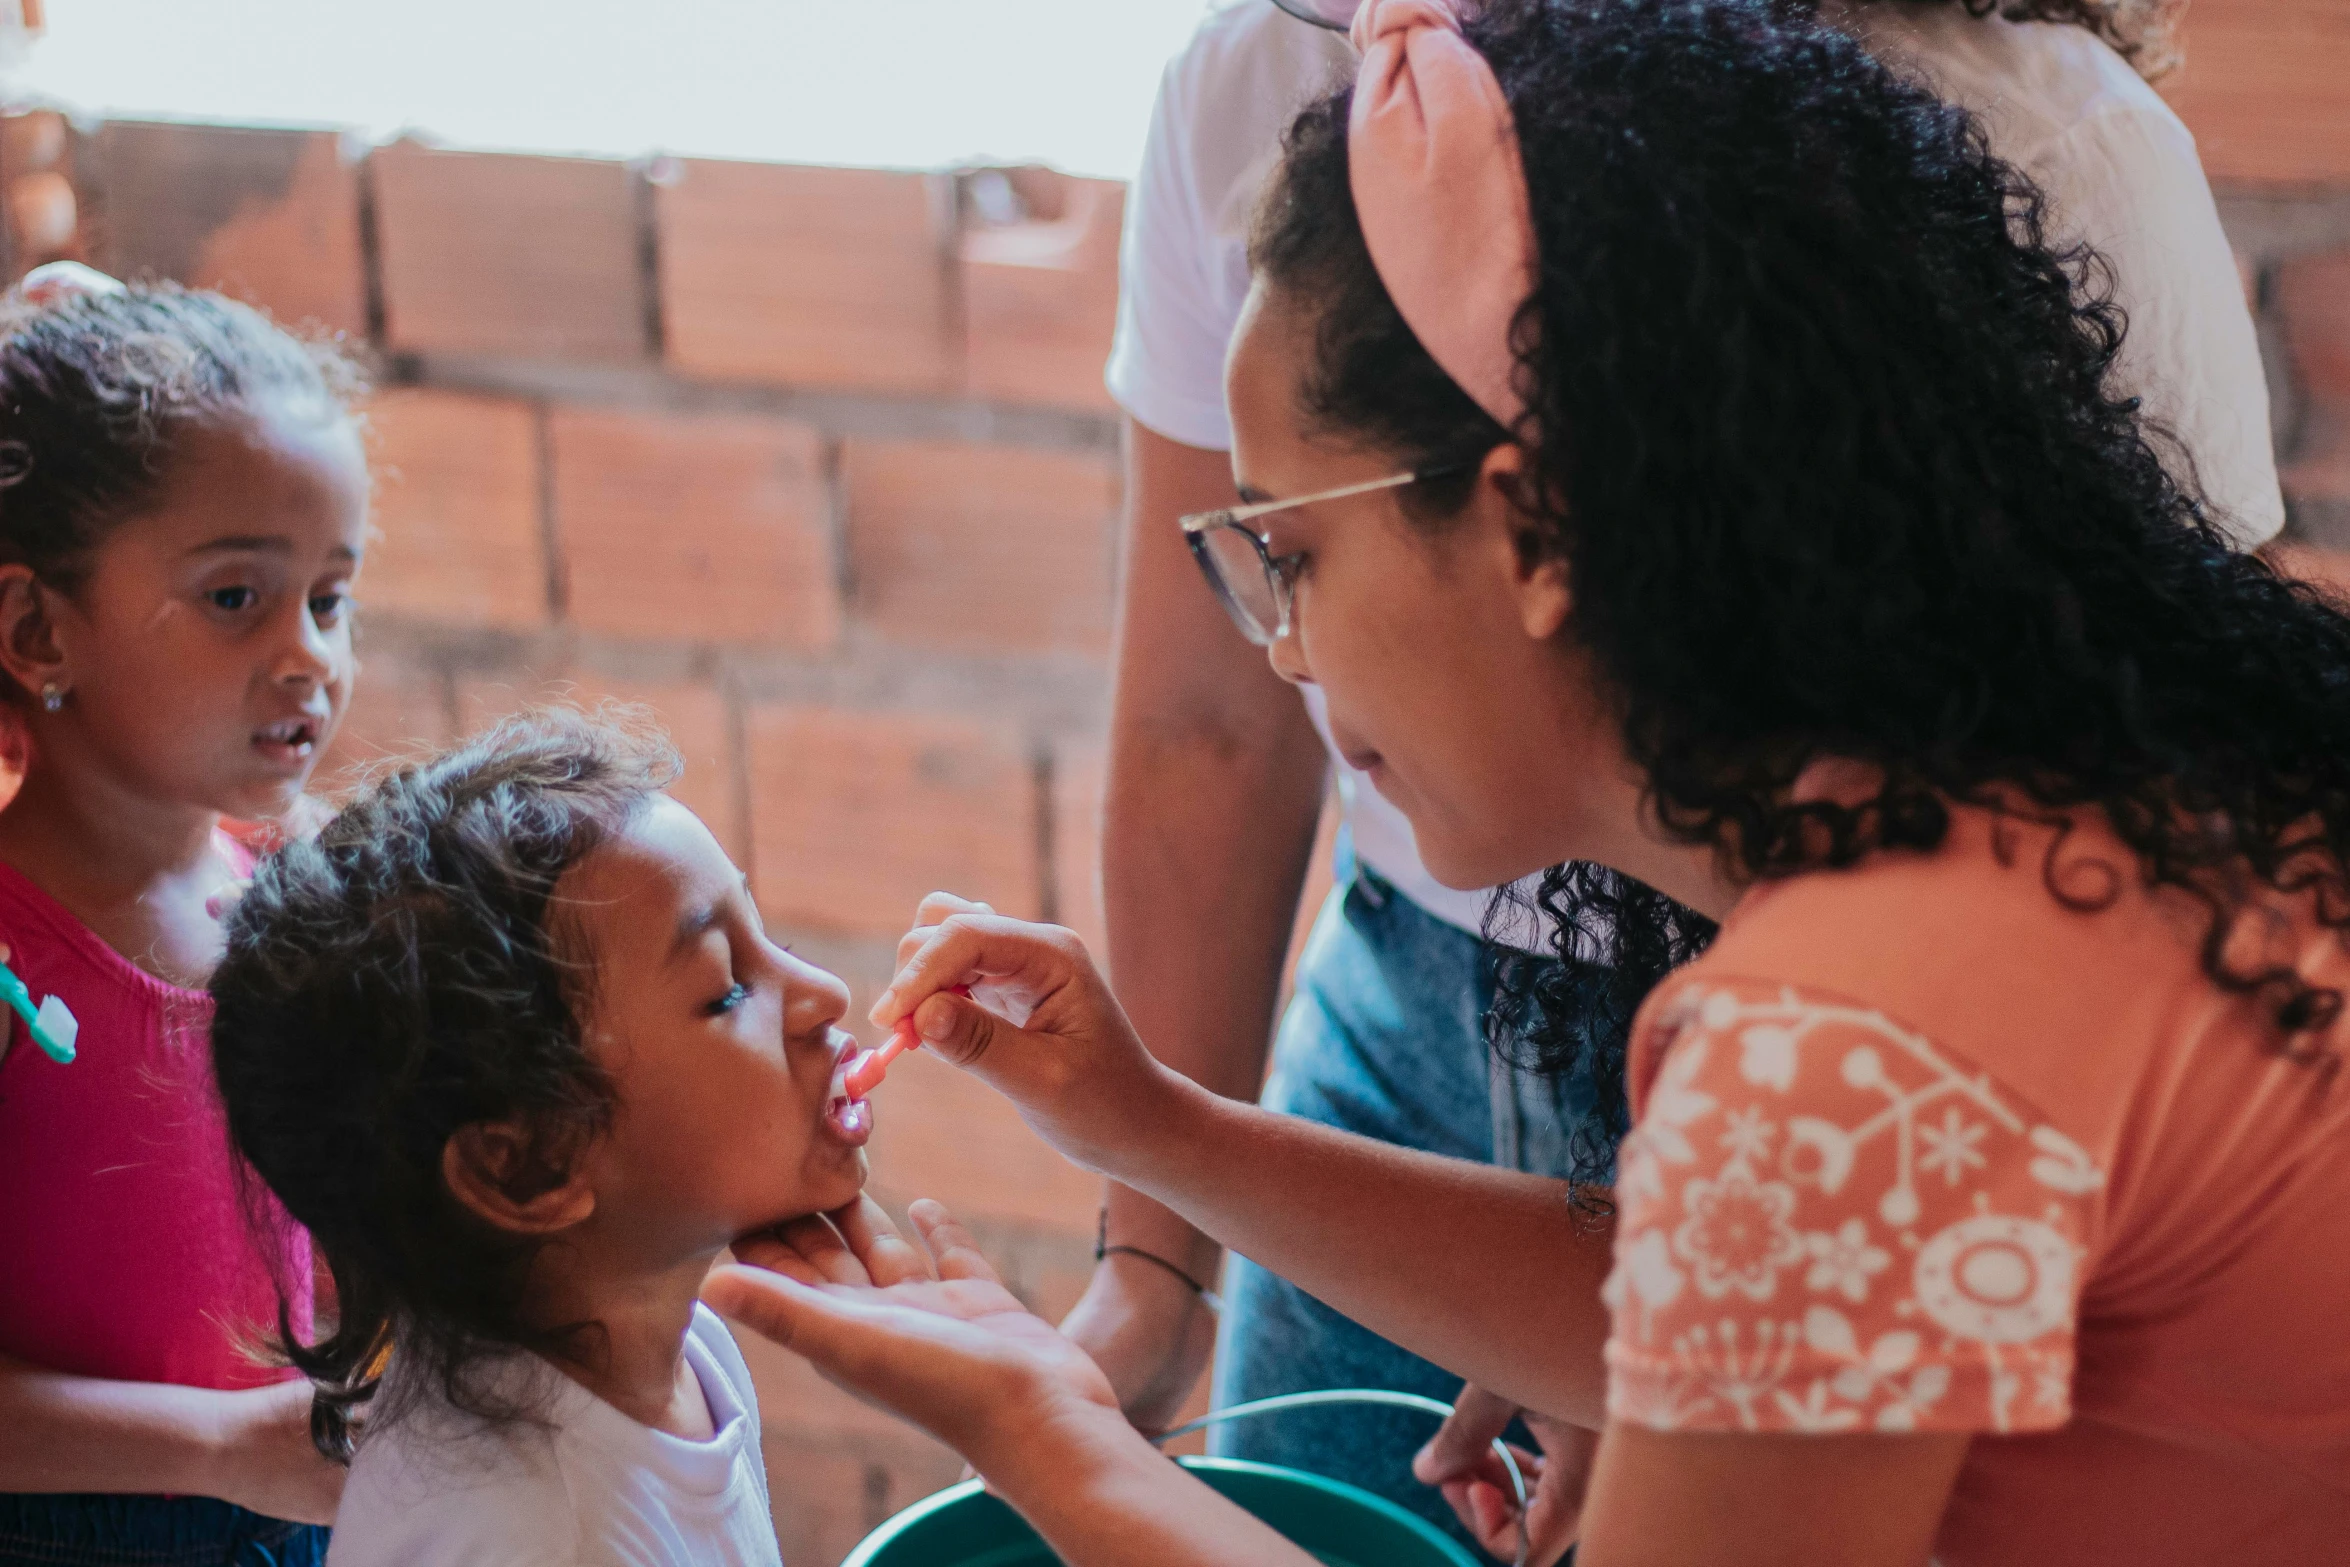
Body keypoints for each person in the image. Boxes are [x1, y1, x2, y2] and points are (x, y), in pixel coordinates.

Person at [706, 0, 2350, 1561]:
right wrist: (1153, 1124)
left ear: (1533, 527)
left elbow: (1796, 1230)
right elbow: (1720, 1293)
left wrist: (1044, 1430)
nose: (1282, 653)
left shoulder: (1849, 1054)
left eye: (1292, 553)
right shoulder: (2072, 807)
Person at [206, 711, 874, 1567]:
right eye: (725, 990)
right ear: (526, 1167)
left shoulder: (689, 1356)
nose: (823, 992)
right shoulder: (528, 1535)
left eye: (769, 936)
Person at [0, 271, 367, 1566]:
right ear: (38, 626)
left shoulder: (293, 887)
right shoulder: (10, 958)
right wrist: (218, 1448)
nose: (310, 657)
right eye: (235, 598)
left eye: (331, 597)